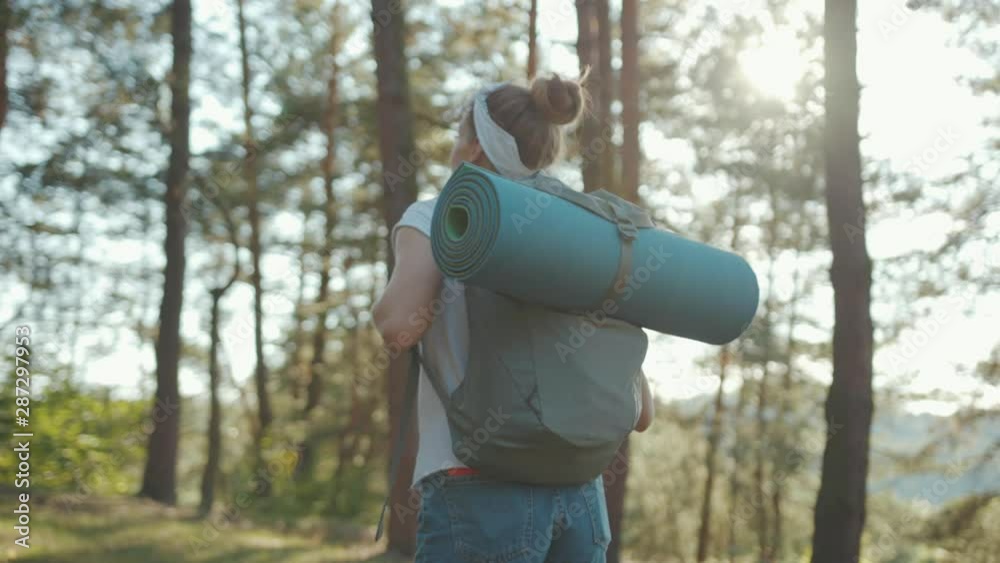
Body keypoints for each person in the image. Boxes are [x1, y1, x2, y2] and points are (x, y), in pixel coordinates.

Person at [373, 71, 654, 563]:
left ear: (475, 149)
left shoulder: (437, 215)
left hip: (479, 491)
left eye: (458, 136)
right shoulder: (583, 233)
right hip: (581, 495)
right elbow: (642, 411)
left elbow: (399, 326)